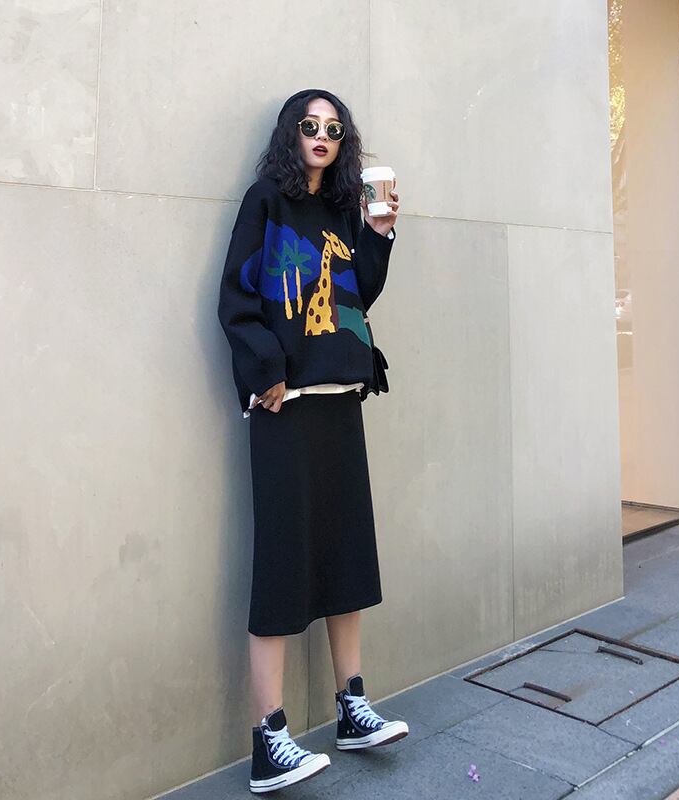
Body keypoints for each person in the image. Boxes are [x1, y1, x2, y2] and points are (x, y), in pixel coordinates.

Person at [217, 88, 409, 794]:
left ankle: (351, 708)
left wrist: (379, 232)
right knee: (283, 561)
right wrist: (265, 370)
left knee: (345, 553)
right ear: (289, 134)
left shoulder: (341, 209)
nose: (321, 136)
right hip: (286, 406)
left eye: (333, 128)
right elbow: (235, 297)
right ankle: (269, 739)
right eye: (309, 125)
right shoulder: (265, 201)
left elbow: (358, 293)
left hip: (339, 401)